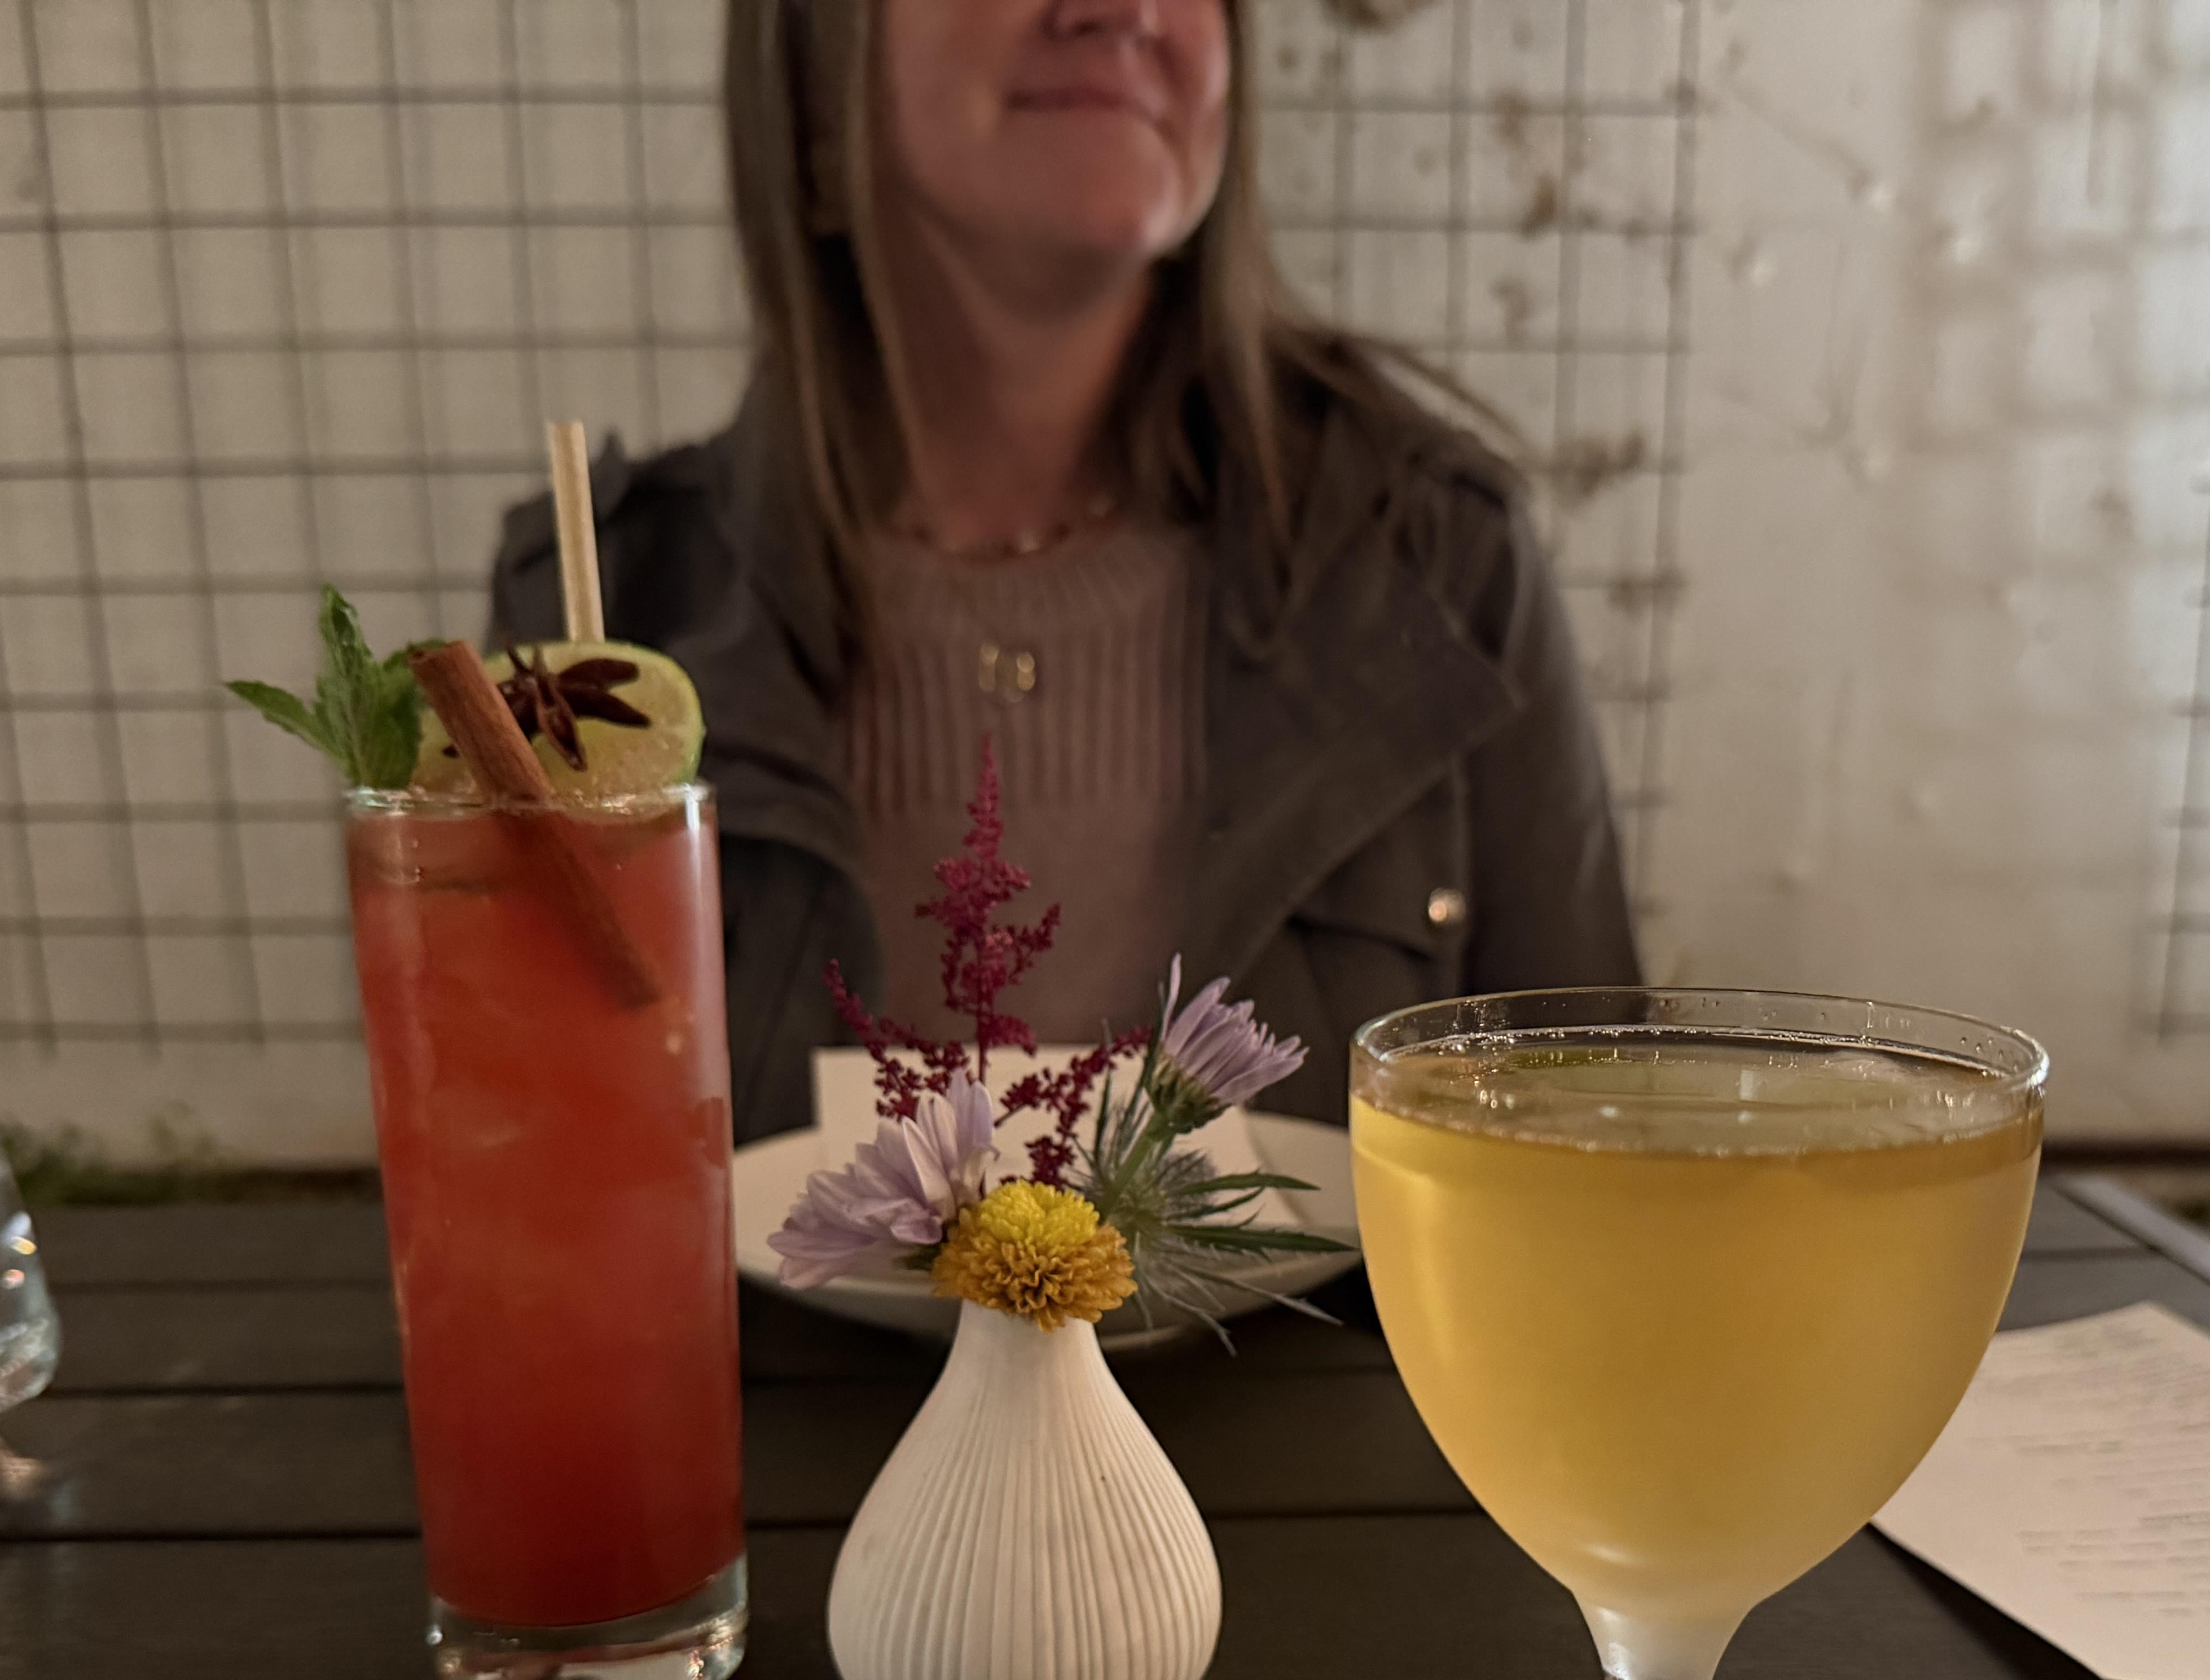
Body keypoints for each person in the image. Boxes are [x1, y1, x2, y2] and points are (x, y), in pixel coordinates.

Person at [491, 0, 1637, 1140]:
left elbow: (1600, 1169)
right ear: (815, 71)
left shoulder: (1439, 569)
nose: (1122, 11)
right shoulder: (600, 633)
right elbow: (528, 1178)